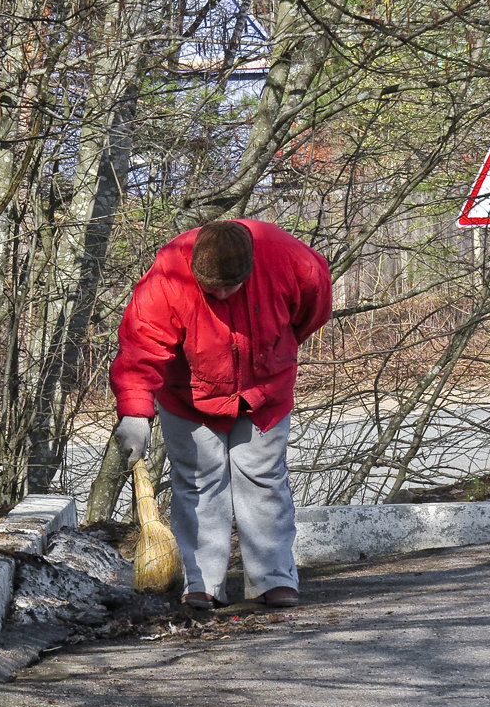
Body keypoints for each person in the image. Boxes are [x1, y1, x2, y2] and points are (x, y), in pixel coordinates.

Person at [110, 219, 332, 609]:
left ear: (250, 269)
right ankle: (202, 584)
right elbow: (139, 346)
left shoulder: (288, 259)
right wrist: (135, 411)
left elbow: (313, 310)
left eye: (230, 287)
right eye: (212, 290)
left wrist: (278, 349)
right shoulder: (167, 275)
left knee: (263, 480)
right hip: (188, 397)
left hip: (265, 390)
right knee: (198, 483)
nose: (222, 296)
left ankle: (273, 578)